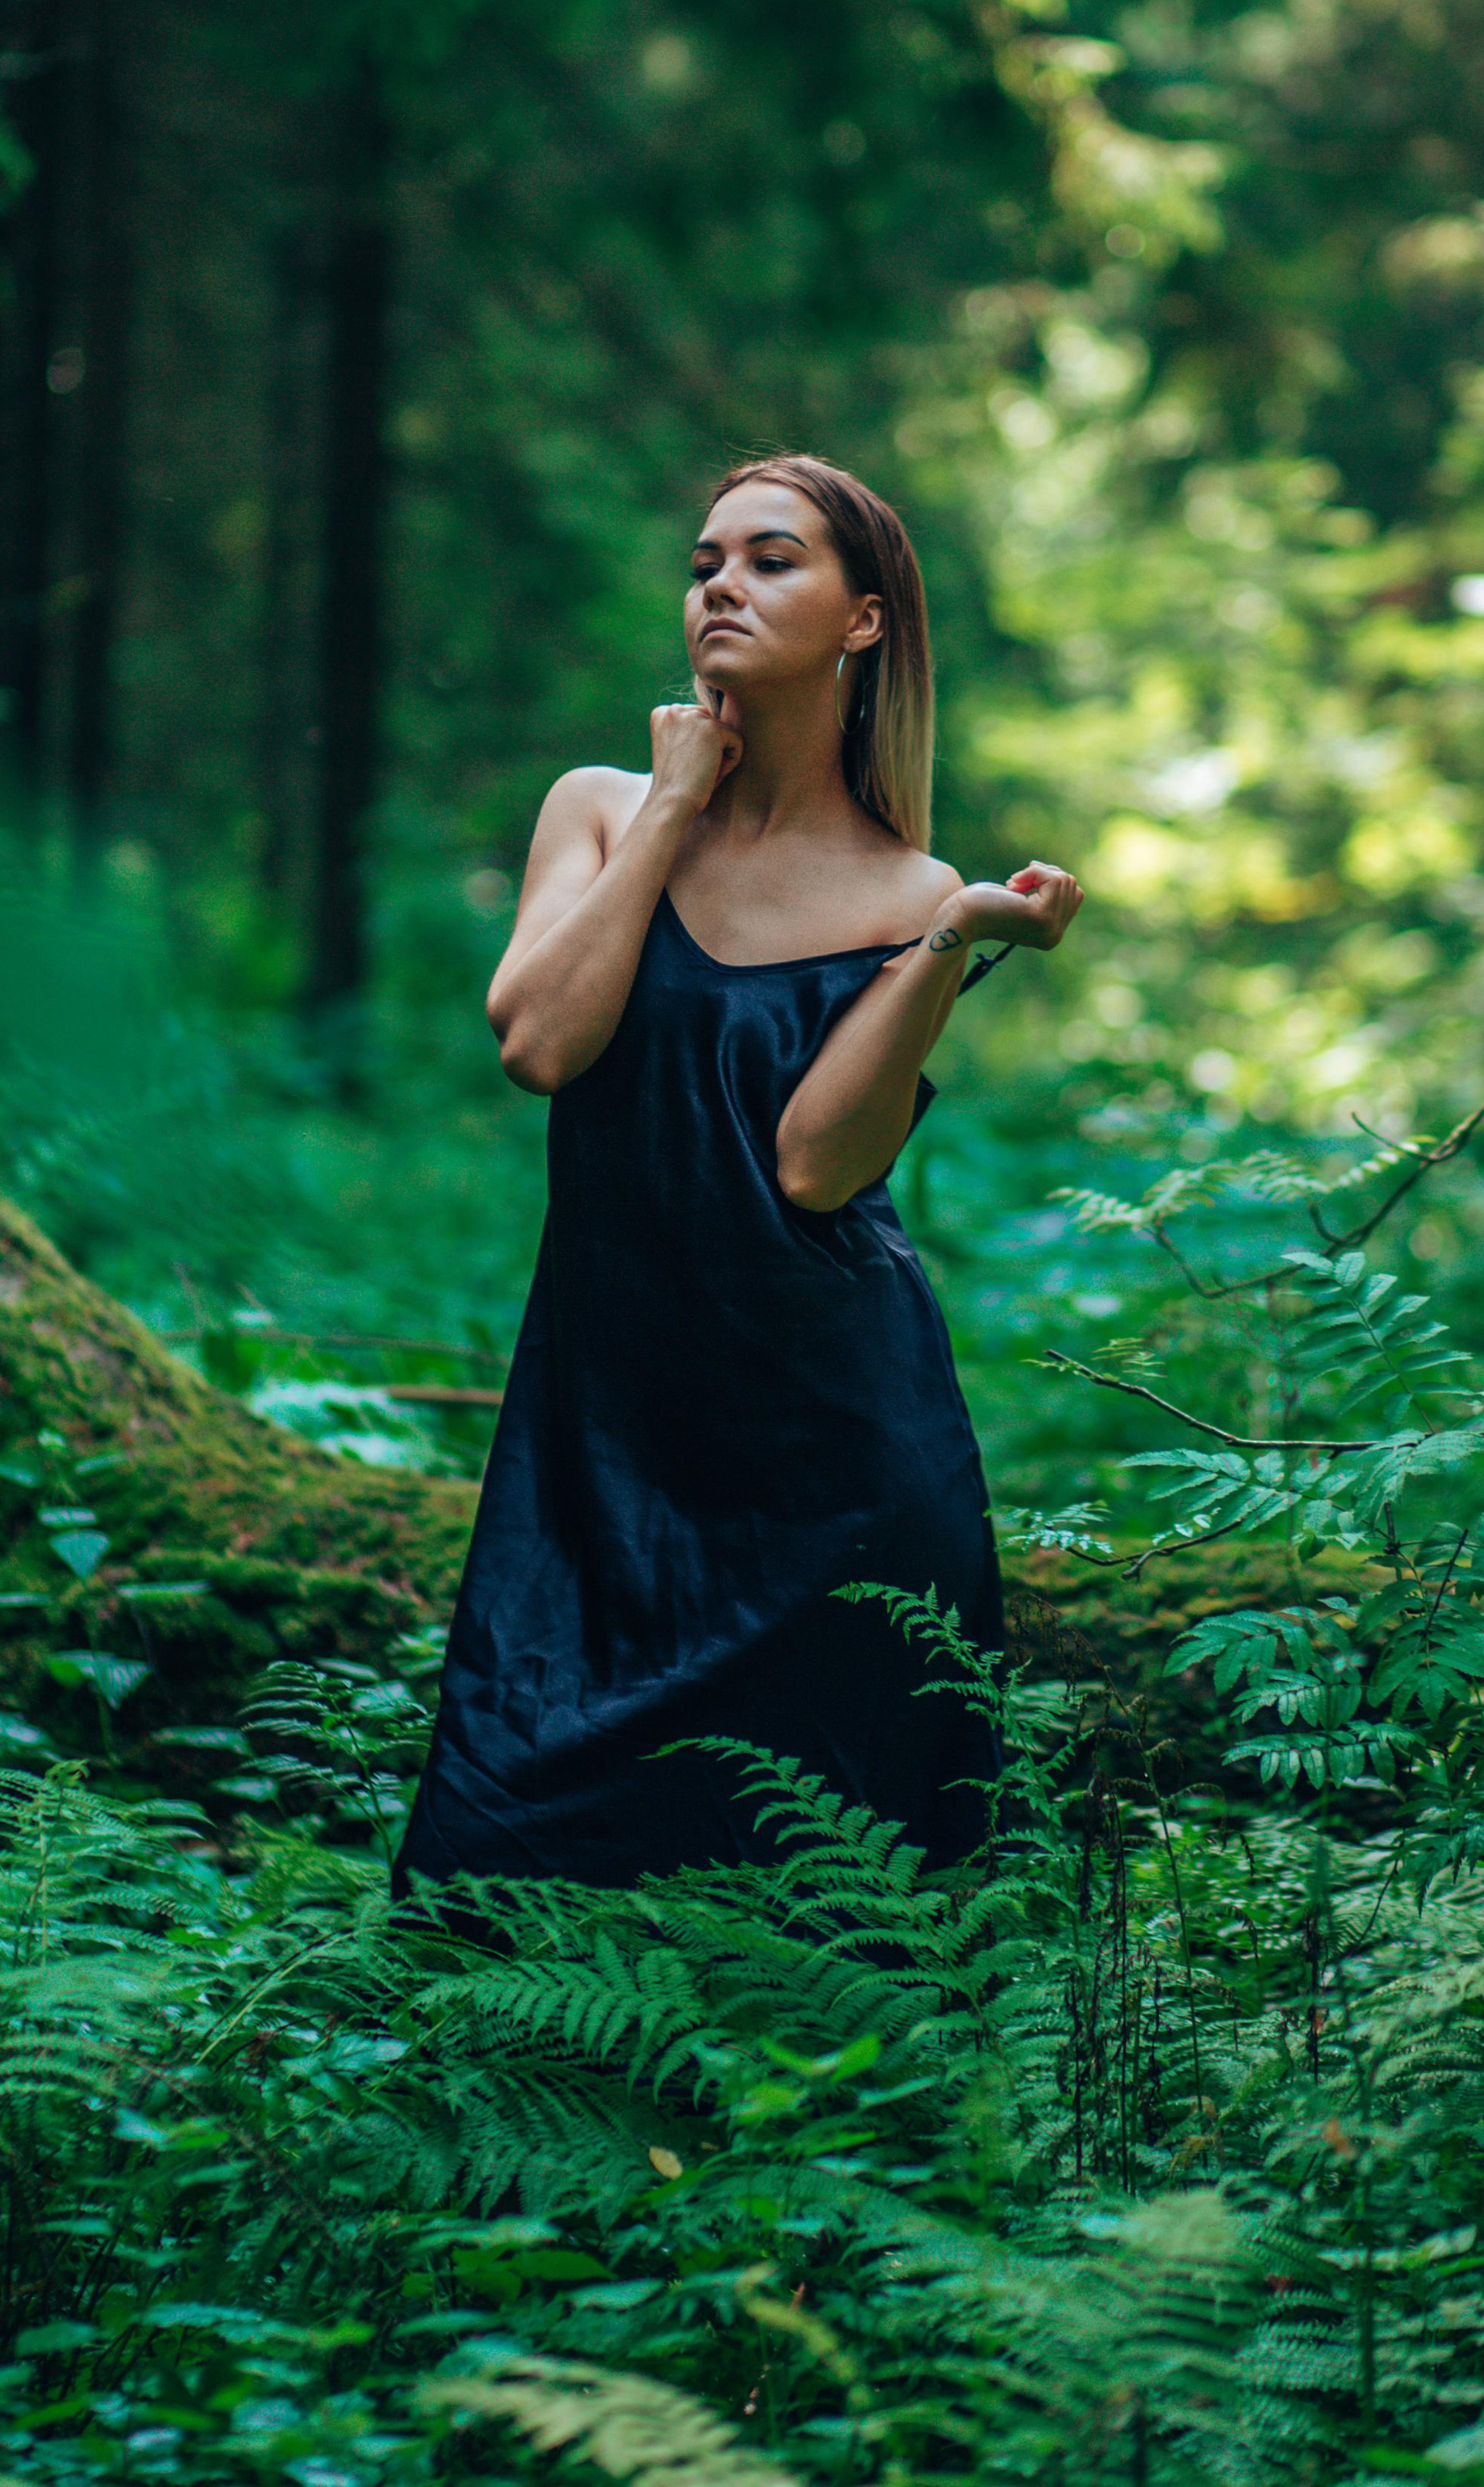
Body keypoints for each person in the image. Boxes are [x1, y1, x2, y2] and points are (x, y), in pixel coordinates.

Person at [395, 453, 1082, 1889]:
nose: (722, 586)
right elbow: (539, 1045)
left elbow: (819, 1167)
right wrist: (670, 807)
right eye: (706, 562)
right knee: (509, 1853)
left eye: (772, 561)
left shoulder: (911, 893)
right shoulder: (599, 808)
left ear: (862, 621)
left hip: (834, 1442)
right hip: (610, 1413)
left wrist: (954, 935)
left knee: (835, 1896)